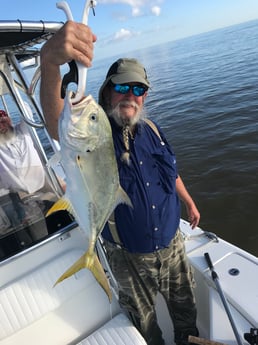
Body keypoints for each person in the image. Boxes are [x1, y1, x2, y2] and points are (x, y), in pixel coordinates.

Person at [40, 21, 200, 345]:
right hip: (127, 257)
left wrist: (189, 201)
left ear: (145, 97)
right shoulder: (96, 132)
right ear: (107, 91)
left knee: (187, 315)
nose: (131, 95)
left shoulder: (153, 130)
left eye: (139, 89)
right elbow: (60, 125)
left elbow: (172, 172)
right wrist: (49, 63)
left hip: (173, 246)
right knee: (145, 325)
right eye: (123, 87)